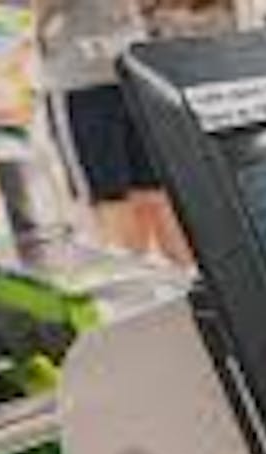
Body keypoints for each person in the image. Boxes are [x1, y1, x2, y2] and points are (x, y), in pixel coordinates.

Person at [37, 0, 193, 265]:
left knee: (159, 198)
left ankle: (207, 297)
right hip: (81, 84)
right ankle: (143, 296)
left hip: (134, 73)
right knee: (112, 206)